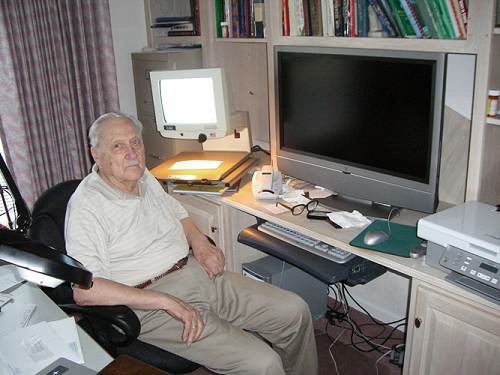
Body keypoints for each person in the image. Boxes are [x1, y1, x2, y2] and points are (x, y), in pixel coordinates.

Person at [65, 112, 318, 375]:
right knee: (262, 363)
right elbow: (85, 292)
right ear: (96, 154)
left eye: (136, 142)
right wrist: (164, 300)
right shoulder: (87, 206)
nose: (132, 153)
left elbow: (176, 212)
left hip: (195, 273)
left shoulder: (142, 175)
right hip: (149, 302)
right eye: (118, 146)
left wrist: (199, 242)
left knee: (294, 311)